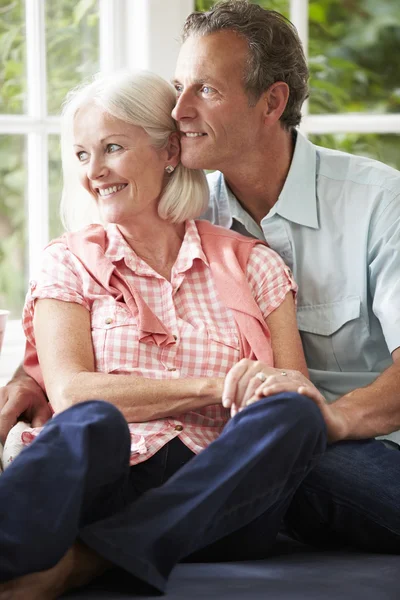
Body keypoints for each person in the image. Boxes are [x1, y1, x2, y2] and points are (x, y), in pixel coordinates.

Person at [1, 0, 400, 571]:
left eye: (204, 91)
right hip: (247, 449)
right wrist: (30, 376)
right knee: (95, 429)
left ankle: (93, 560)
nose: (179, 109)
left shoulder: (377, 200)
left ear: (272, 102)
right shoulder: (180, 209)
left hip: (350, 438)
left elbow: (326, 392)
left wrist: (332, 419)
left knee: (293, 436)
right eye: (178, 86)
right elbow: (74, 354)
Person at [0, 69, 327, 597]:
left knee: (295, 416)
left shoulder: (253, 264)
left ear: (169, 151)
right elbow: (71, 390)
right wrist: (212, 385)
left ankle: (88, 560)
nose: (95, 171)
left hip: (221, 494)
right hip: (111, 478)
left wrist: (272, 388)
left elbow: (295, 390)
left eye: (112, 148)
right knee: (90, 420)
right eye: (82, 155)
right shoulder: (66, 262)